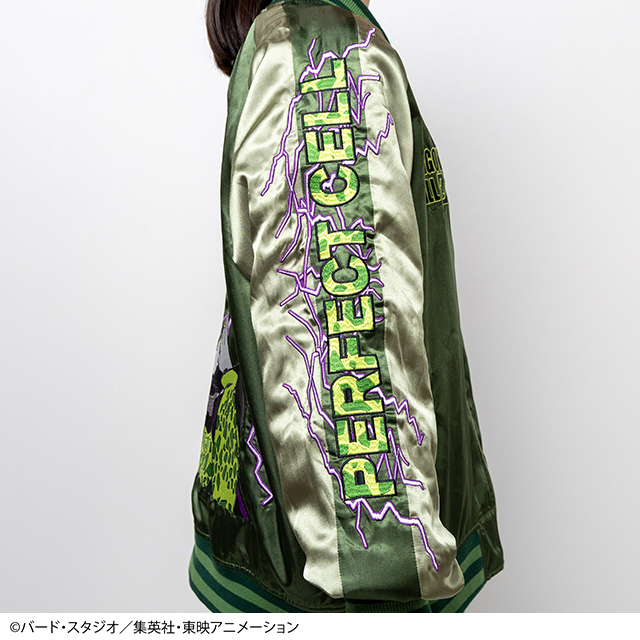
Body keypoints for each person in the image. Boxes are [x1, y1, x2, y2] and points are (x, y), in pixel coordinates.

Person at [188, 0, 504, 613]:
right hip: (333, 579)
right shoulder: (318, 48)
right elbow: (341, 340)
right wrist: (388, 578)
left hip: (308, 558)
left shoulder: (324, 38)